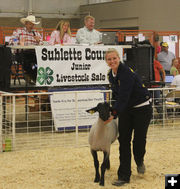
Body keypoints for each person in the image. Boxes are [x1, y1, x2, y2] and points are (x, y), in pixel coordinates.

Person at [105, 48, 152, 186]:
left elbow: (124, 96)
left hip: (142, 108)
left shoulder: (126, 73)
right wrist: (113, 110)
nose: (112, 61)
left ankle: (139, 160)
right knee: (124, 140)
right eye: (109, 59)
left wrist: (113, 114)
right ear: (106, 61)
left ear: (119, 58)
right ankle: (124, 176)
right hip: (126, 109)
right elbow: (117, 96)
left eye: (114, 58)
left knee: (138, 140)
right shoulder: (110, 74)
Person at [9, 15, 43, 84]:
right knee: (27, 61)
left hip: (33, 54)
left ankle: (31, 76)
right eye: (30, 24)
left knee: (39, 61)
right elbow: (11, 41)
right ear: (26, 24)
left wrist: (38, 41)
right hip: (21, 53)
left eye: (33, 24)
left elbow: (42, 44)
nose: (32, 26)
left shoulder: (36, 33)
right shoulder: (19, 31)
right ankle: (33, 77)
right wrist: (18, 41)